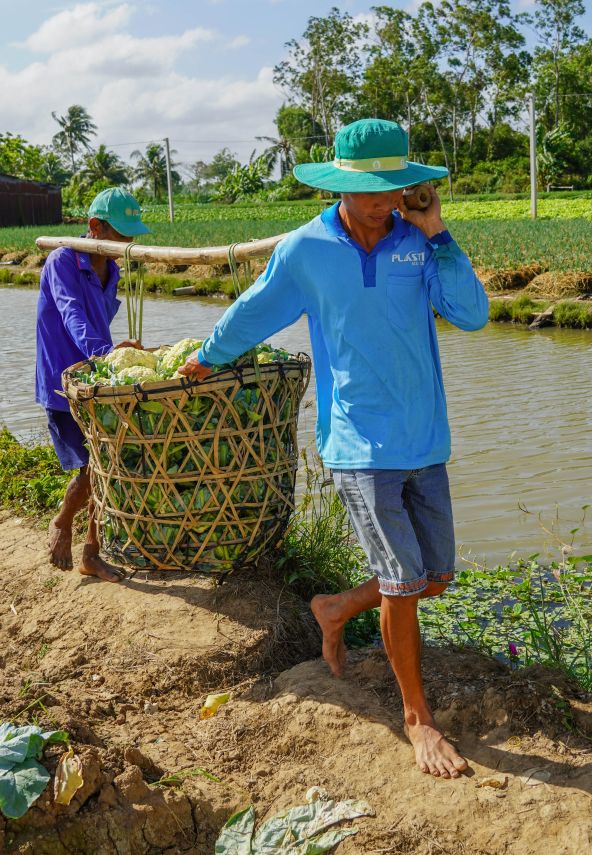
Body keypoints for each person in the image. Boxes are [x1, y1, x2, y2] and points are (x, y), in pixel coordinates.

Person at [178, 119, 489, 779]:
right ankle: (417, 718)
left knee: (435, 578)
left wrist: (438, 231)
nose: (383, 202)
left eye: (393, 188)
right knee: (402, 584)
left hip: (425, 437)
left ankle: (337, 606)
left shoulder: (419, 242)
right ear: (340, 187)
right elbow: (256, 308)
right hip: (359, 441)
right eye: (370, 191)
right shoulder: (305, 250)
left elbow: (472, 314)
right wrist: (208, 356)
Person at [36, 187, 150, 583]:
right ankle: (63, 520)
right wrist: (105, 356)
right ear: (95, 227)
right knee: (91, 469)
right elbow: (73, 315)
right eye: (120, 234)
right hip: (63, 381)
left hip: (99, 378)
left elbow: (100, 321)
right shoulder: (62, 261)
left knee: (108, 467)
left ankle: (91, 552)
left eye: (130, 235)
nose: (126, 243)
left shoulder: (112, 269)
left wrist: (117, 354)